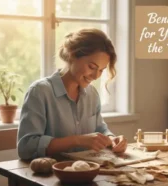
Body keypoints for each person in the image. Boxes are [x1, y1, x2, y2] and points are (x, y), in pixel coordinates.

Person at [17, 28, 127, 160]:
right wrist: (77, 140)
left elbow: (100, 129)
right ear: (72, 55)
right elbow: (26, 147)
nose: (96, 76)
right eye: (92, 67)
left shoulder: (92, 94)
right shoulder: (40, 92)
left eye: (101, 70)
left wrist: (112, 139)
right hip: (49, 176)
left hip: (86, 173)